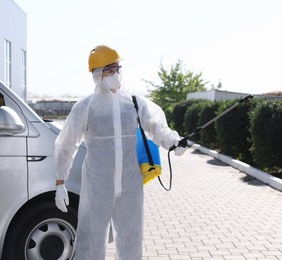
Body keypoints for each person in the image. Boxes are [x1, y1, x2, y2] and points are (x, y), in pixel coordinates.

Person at [54, 45, 187, 260]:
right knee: (90, 242)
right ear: (97, 74)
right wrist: (60, 182)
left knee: (131, 243)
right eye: (109, 70)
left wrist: (174, 141)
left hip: (129, 186)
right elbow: (65, 144)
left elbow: (157, 127)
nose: (115, 74)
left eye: (117, 68)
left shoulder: (134, 103)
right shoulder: (85, 107)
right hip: (97, 186)